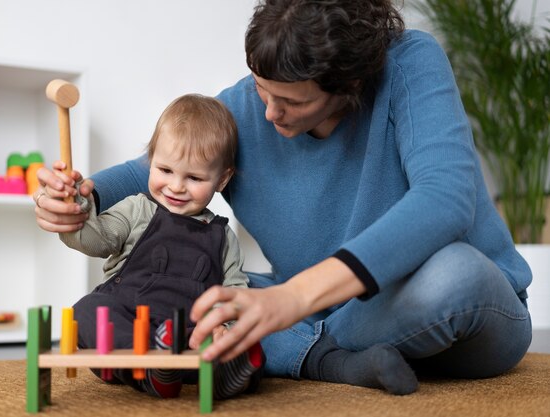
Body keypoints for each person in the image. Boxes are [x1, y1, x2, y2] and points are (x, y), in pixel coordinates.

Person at [34, 0, 532, 394]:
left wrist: (288, 301)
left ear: (350, 84)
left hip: (446, 305)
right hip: (315, 308)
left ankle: (287, 351)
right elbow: (157, 170)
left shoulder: (410, 63)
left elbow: (444, 199)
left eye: (292, 101)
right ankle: (330, 360)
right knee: (180, 277)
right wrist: (82, 196)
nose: (269, 113)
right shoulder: (250, 106)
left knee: (455, 274)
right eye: (260, 89)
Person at [54, 94, 264, 399]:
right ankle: (154, 368)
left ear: (222, 179)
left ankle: (226, 371)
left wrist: (227, 327)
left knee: (244, 338)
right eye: (165, 170)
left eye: (193, 177)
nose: (176, 186)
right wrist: (77, 209)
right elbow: (91, 238)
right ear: (151, 161)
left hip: (185, 335)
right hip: (126, 323)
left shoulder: (222, 236)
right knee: (85, 313)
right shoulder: (136, 210)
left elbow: (233, 291)